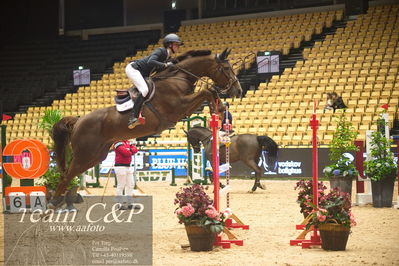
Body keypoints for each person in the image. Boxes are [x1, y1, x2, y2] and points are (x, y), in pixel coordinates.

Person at [125, 33, 183, 128]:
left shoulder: (167, 56)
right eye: (176, 44)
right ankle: (133, 117)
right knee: (144, 90)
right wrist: (165, 65)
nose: (178, 47)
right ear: (169, 45)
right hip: (133, 69)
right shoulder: (161, 51)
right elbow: (150, 62)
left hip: (143, 73)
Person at [114, 139, 138, 210]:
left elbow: (135, 150)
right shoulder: (117, 142)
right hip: (120, 166)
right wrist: (131, 150)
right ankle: (119, 204)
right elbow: (126, 153)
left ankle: (130, 203)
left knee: (131, 184)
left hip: (128, 166)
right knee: (121, 185)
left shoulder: (127, 142)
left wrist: (130, 150)